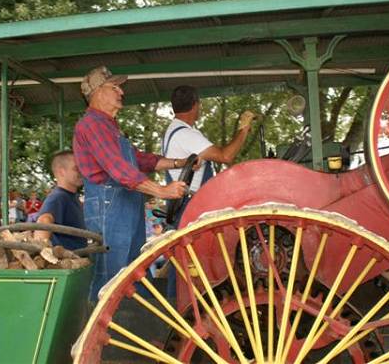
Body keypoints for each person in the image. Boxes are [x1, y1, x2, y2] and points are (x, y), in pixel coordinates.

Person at [73, 66, 191, 301]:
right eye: (114, 87)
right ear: (97, 92)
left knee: (133, 272)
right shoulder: (91, 125)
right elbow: (120, 171)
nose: (121, 92)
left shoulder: (110, 127)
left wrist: (181, 162)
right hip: (109, 205)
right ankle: (102, 332)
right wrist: (162, 191)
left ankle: (131, 327)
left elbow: (141, 160)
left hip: (124, 204)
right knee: (110, 277)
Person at [163, 85, 256, 225]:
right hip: (190, 205)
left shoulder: (175, 131)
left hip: (186, 203)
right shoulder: (186, 135)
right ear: (195, 105)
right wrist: (243, 130)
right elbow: (226, 156)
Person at [35, 150, 86, 250]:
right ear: (61, 171)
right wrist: (41, 254)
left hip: (77, 260)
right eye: (76, 168)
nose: (81, 171)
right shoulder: (58, 197)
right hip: (67, 262)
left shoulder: (72, 197)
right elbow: (44, 220)